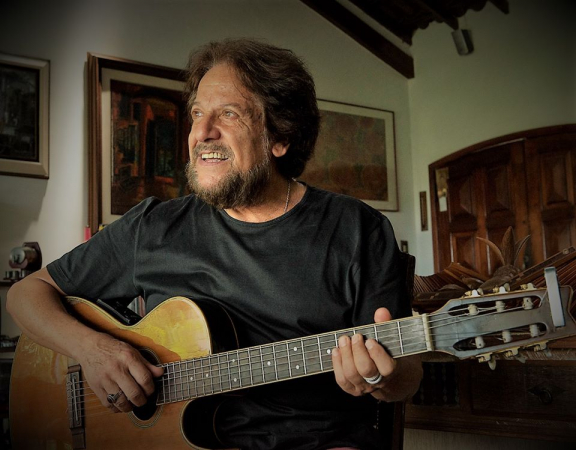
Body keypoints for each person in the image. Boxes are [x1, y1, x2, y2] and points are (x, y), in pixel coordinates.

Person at [7, 38, 422, 449]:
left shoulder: (356, 229)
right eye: (197, 114)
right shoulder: (154, 226)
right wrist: (93, 350)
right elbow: (26, 296)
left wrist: (379, 377)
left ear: (280, 138)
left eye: (228, 113)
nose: (201, 133)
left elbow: (405, 375)